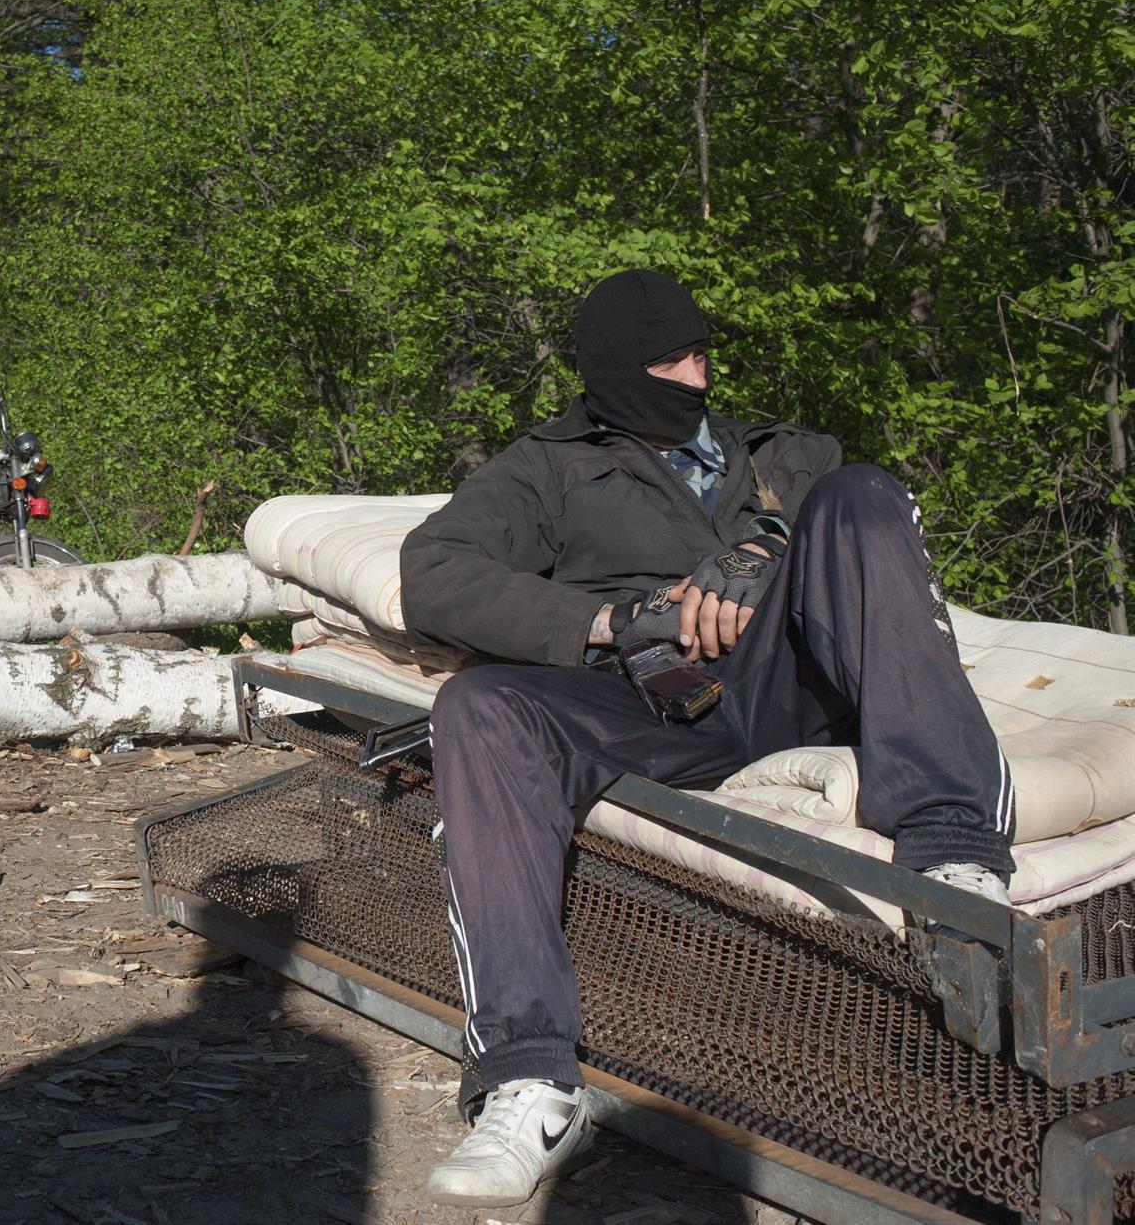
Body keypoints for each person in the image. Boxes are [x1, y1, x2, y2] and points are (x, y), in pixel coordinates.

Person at [400, 269, 1014, 1209]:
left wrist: (769, 539)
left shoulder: (769, 447)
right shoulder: (547, 465)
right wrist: (618, 619)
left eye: (701, 353)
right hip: (643, 700)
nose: (693, 376)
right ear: (612, 372)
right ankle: (531, 1079)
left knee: (860, 493)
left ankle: (955, 845)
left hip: (781, 682)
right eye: (667, 361)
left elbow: (853, 508)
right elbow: (437, 574)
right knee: (477, 708)